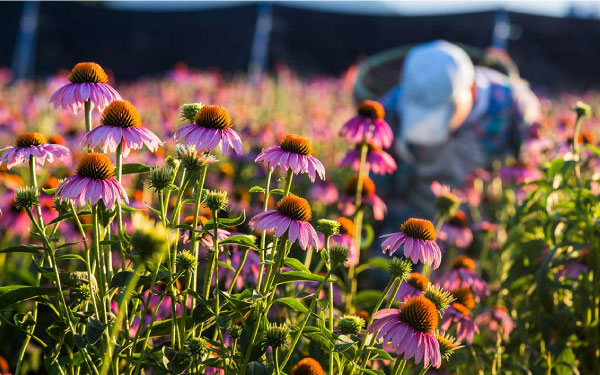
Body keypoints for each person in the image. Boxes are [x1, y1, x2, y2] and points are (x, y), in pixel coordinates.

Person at [378, 40, 540, 219]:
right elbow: (380, 181)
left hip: (486, 223)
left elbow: (530, 173)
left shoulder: (514, 106)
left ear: (471, 89)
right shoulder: (392, 108)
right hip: (413, 222)